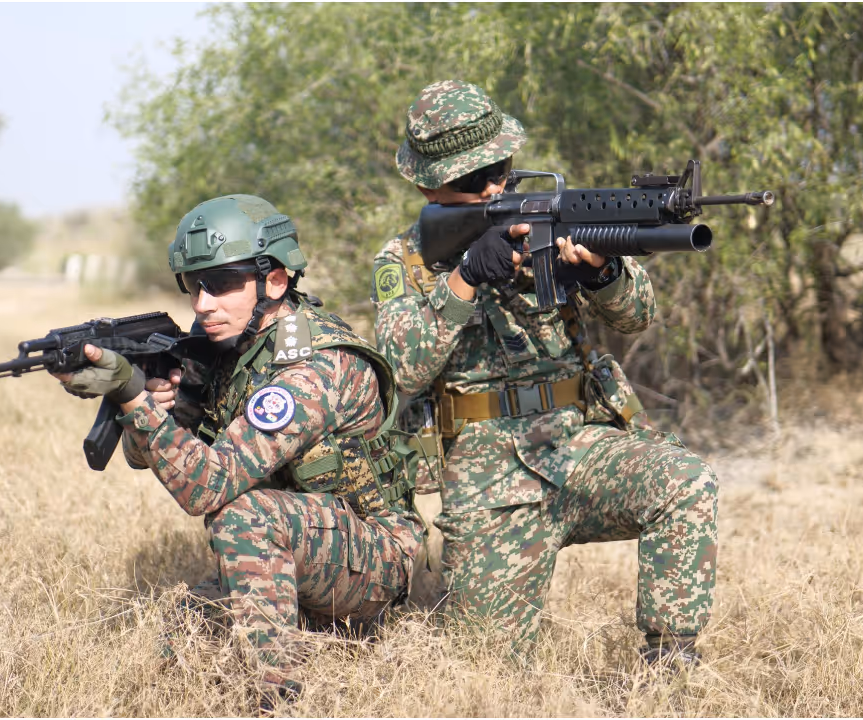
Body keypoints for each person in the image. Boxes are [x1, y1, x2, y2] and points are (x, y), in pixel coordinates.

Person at [372, 80, 718, 666]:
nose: (493, 187)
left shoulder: (554, 218)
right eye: (472, 179)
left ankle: (670, 664)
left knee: (685, 481)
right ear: (428, 185)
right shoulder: (404, 259)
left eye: (500, 170)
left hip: (576, 443)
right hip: (486, 474)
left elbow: (639, 316)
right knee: (487, 665)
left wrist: (602, 275)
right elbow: (404, 367)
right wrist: (464, 278)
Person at [55, 194, 424, 701]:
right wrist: (157, 404)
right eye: (193, 285)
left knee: (243, 516)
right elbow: (147, 459)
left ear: (275, 280)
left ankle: (274, 697)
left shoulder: (313, 366)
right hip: (305, 543)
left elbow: (205, 487)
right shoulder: (231, 350)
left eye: (223, 283)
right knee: (179, 633)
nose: (203, 304)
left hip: (374, 561)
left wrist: (131, 395)